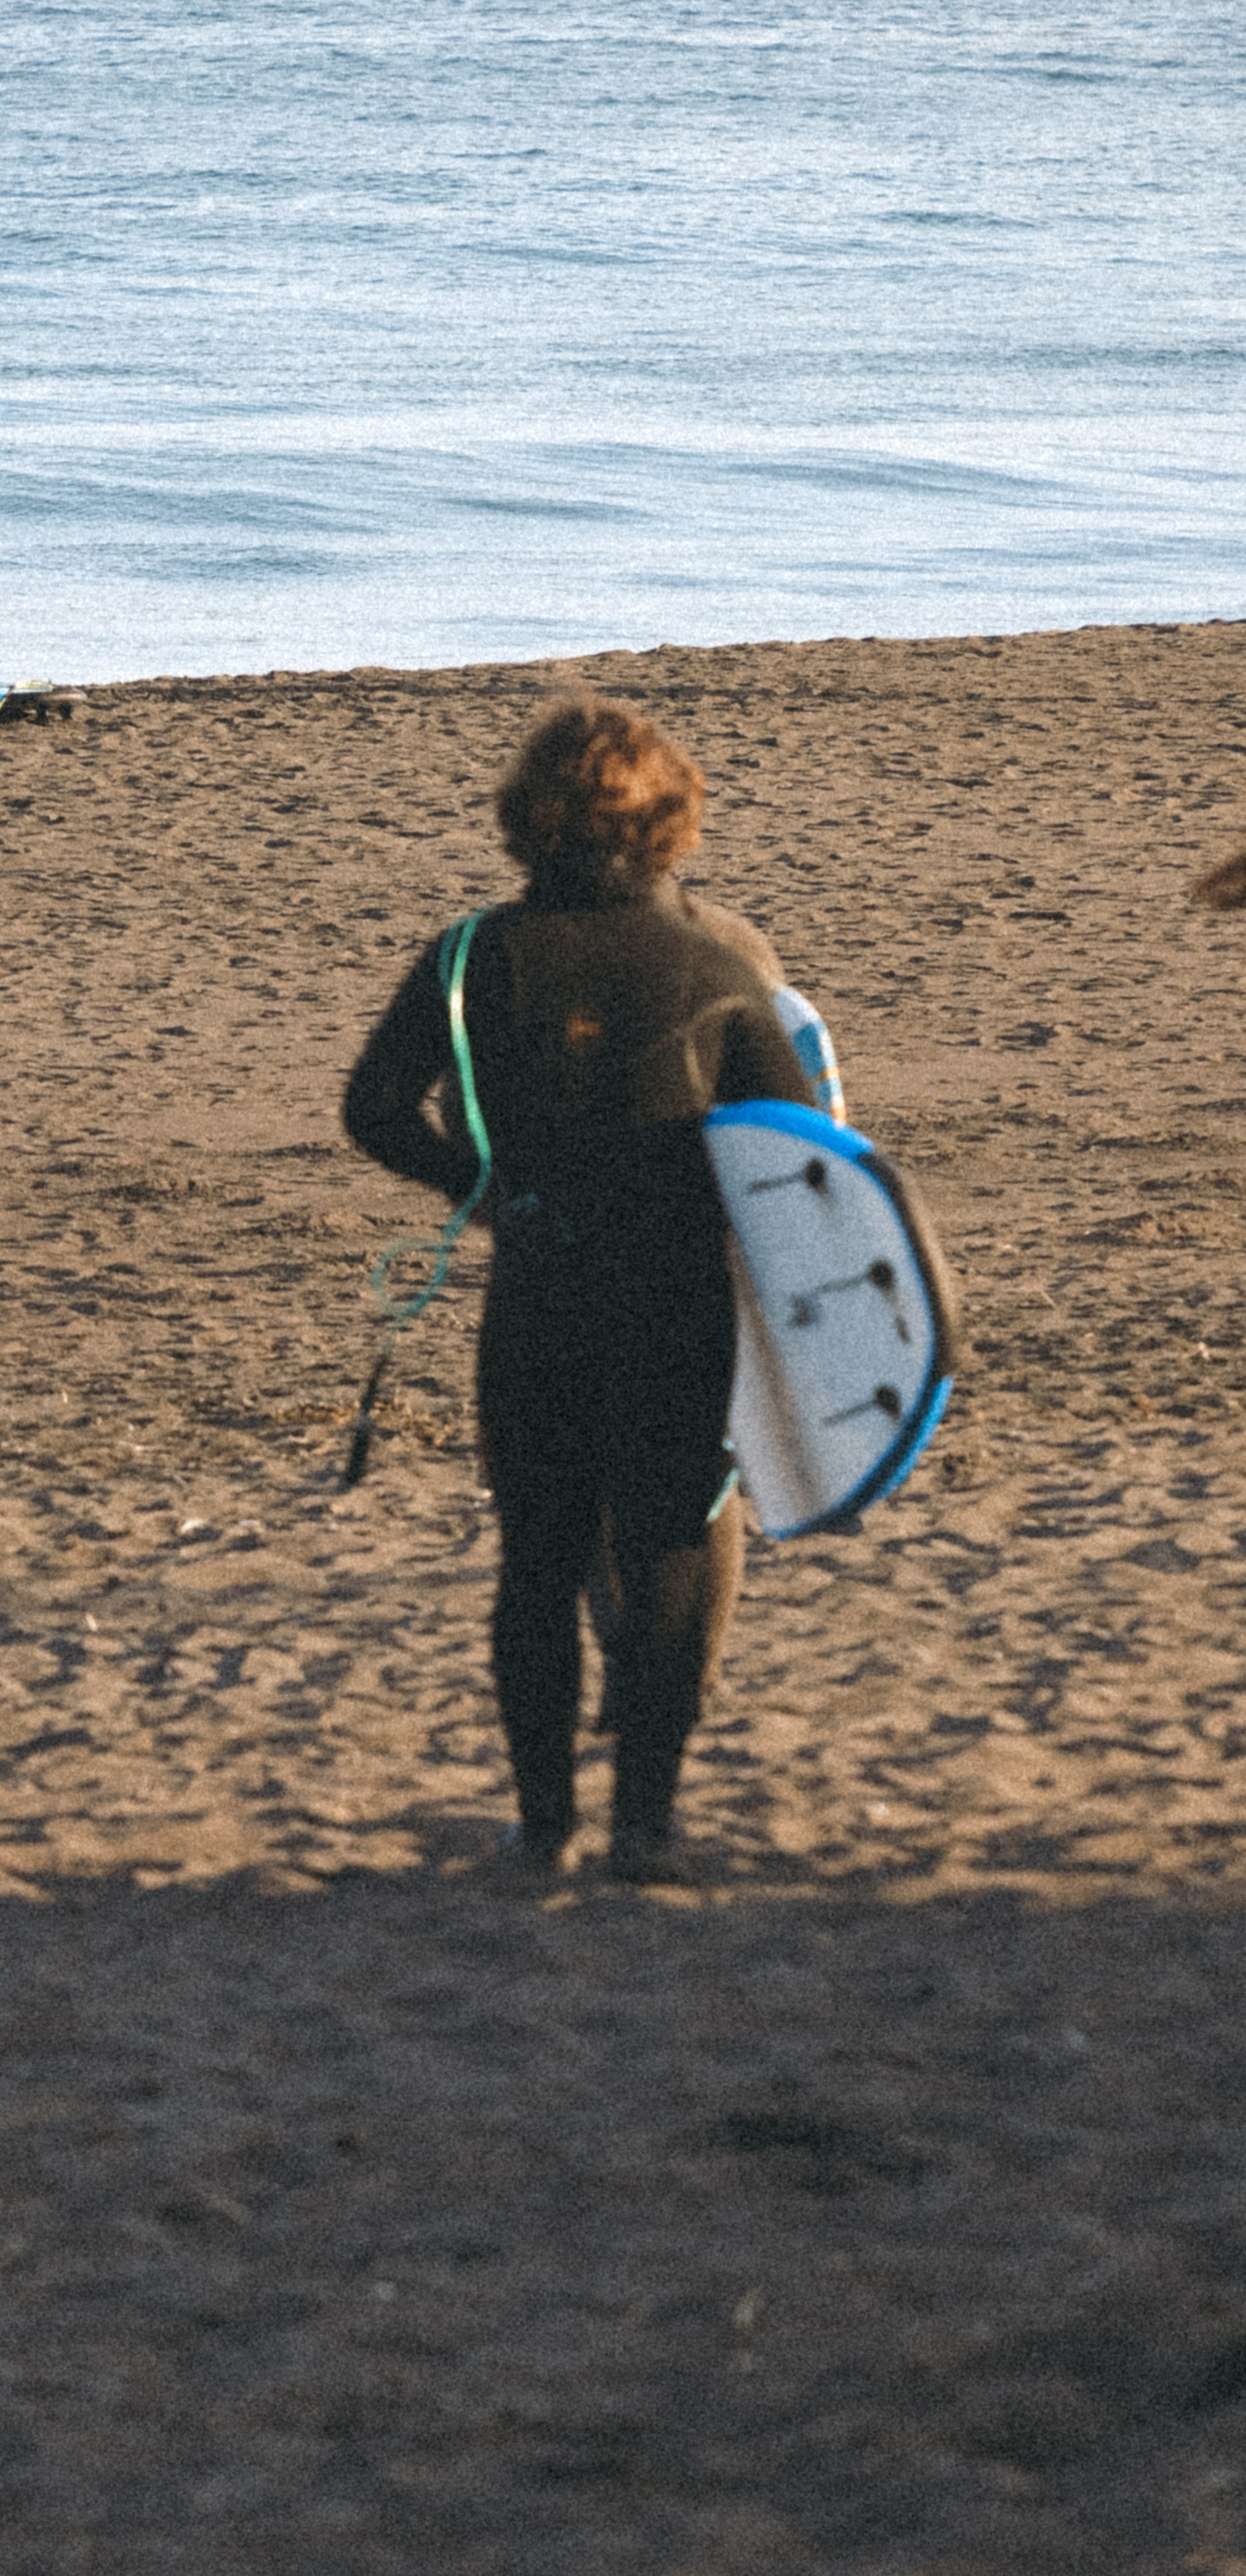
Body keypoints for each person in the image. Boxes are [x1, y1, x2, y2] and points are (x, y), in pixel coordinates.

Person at [342, 696, 812, 1883]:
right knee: (665, 1550)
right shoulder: (713, 963)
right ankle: (645, 1827)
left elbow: (373, 1110)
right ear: (673, 822)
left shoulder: (472, 958)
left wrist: (485, 1187)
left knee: (538, 1565)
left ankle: (543, 1825)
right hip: (675, 1299)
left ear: (526, 817)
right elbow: (795, 1152)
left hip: (539, 1291)